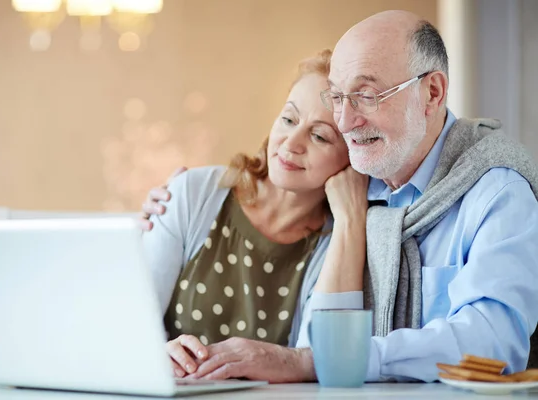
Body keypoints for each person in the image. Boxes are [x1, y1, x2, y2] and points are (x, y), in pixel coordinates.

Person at [142, 10, 538, 383]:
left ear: (432, 93)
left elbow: (494, 343)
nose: (346, 122)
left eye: (367, 96)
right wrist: (152, 216)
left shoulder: (497, 192)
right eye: (337, 97)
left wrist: (336, 358)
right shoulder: (361, 187)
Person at [141, 49, 370, 383]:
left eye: (320, 136)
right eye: (289, 119)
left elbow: (330, 361)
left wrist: (351, 221)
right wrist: (154, 353)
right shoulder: (195, 193)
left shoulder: (339, 239)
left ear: (352, 157)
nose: (290, 144)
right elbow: (129, 326)